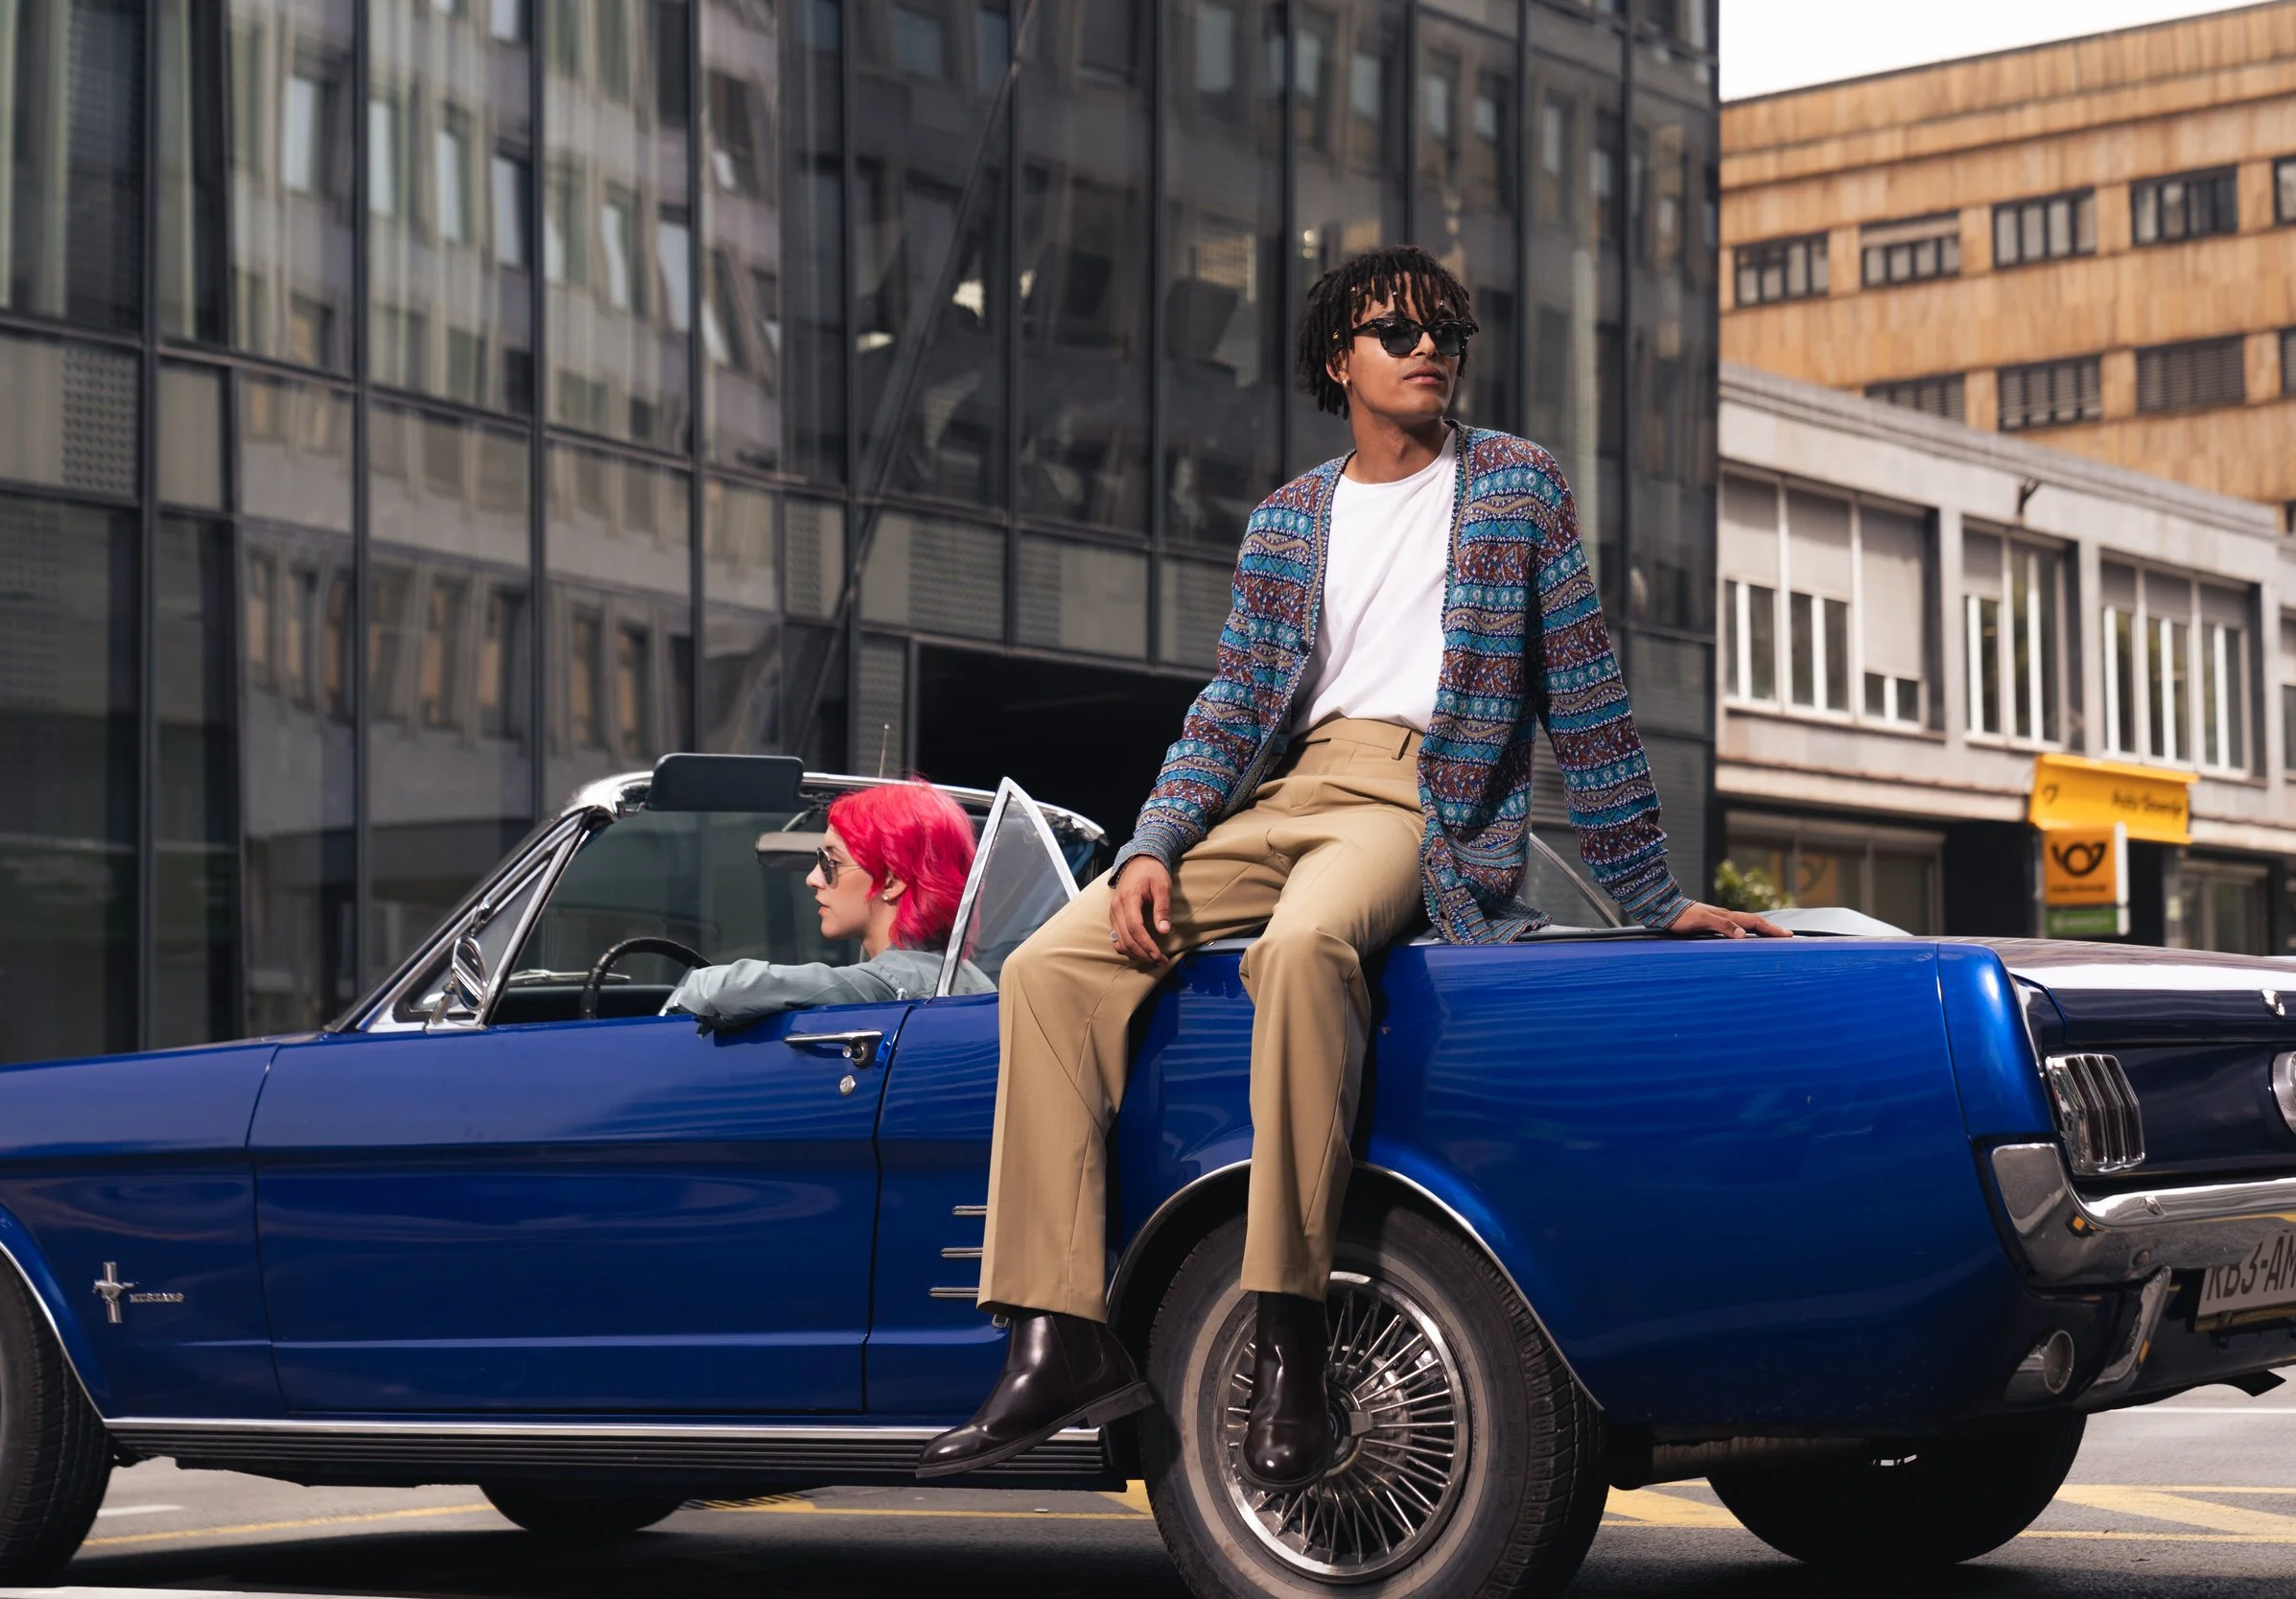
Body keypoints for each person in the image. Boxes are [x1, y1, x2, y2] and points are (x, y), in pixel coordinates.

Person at [919, 245, 1788, 1486]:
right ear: (1341, 360)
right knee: (1054, 963)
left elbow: (1585, 693)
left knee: (1306, 944)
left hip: (1420, 794)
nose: (1425, 347)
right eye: (1395, 330)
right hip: (1289, 790)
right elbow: (1229, 709)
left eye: (1442, 330)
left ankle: (1289, 1336)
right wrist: (1158, 842)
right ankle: (1057, 1331)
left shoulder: (1515, 489)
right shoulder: (1289, 518)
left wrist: (1652, 893)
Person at [666, 780, 990, 1029]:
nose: (812, 878)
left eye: (830, 860)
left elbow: (724, 990)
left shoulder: (897, 980)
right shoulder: (971, 982)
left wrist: (691, 989)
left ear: (891, 881)